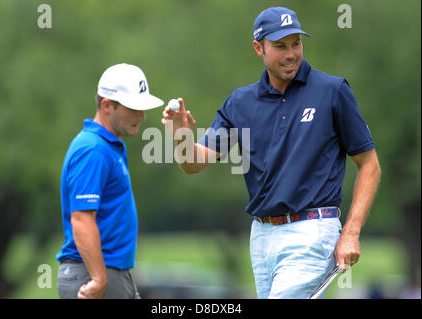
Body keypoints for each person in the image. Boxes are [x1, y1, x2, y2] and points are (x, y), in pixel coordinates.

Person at [161, 7, 381, 299]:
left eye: (296, 43)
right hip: (262, 237)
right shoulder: (240, 102)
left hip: (313, 231)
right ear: (258, 48)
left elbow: (370, 165)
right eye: (280, 46)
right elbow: (194, 163)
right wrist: (181, 137)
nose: (291, 53)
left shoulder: (332, 91)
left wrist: (351, 231)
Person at [56, 63, 164, 298]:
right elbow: (82, 218)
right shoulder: (92, 149)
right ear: (107, 105)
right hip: (92, 275)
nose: (143, 116)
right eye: (134, 108)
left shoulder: (107, 146)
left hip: (109, 273)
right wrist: (98, 278)